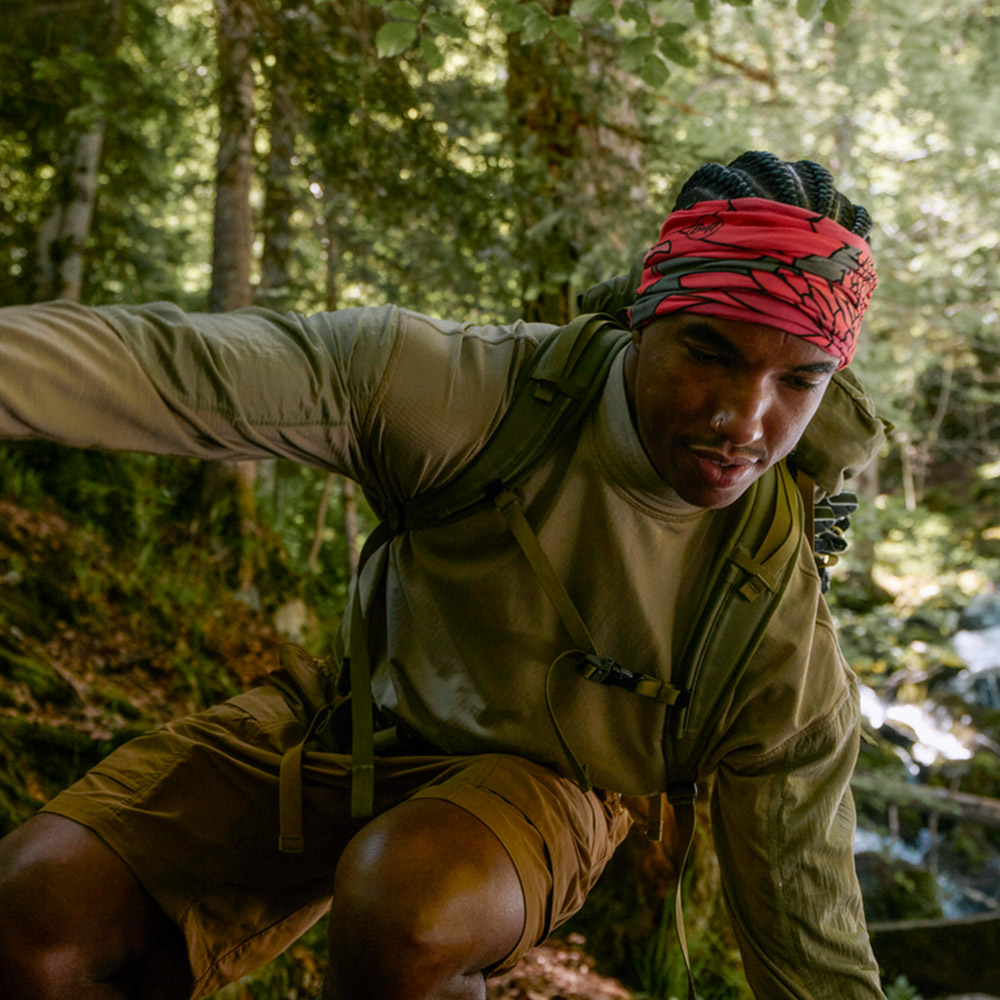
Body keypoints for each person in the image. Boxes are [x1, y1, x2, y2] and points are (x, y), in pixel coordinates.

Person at [0, 150, 886, 1000]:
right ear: (644, 318)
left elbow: (809, 932)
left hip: (553, 787)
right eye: (710, 352)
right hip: (350, 720)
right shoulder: (470, 396)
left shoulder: (775, 621)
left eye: (799, 381)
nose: (744, 420)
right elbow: (167, 368)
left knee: (414, 902)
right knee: (34, 916)